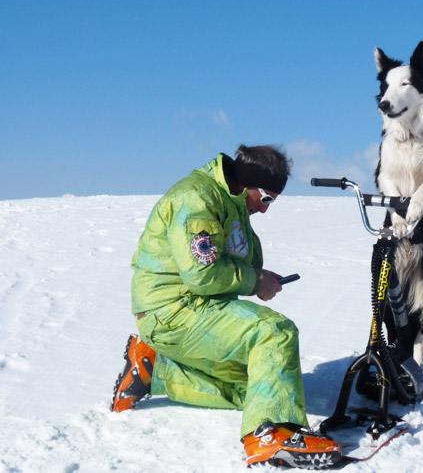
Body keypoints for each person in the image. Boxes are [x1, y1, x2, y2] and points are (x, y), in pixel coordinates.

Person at [110, 145, 341, 469]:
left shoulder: (229, 199)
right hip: (172, 310)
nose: (265, 209)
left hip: (194, 307)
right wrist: (254, 281)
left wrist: (258, 274)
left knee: (260, 388)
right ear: (248, 184)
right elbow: (202, 273)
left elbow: (242, 256)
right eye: (267, 199)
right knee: (275, 332)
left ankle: (154, 370)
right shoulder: (198, 199)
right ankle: (270, 435)